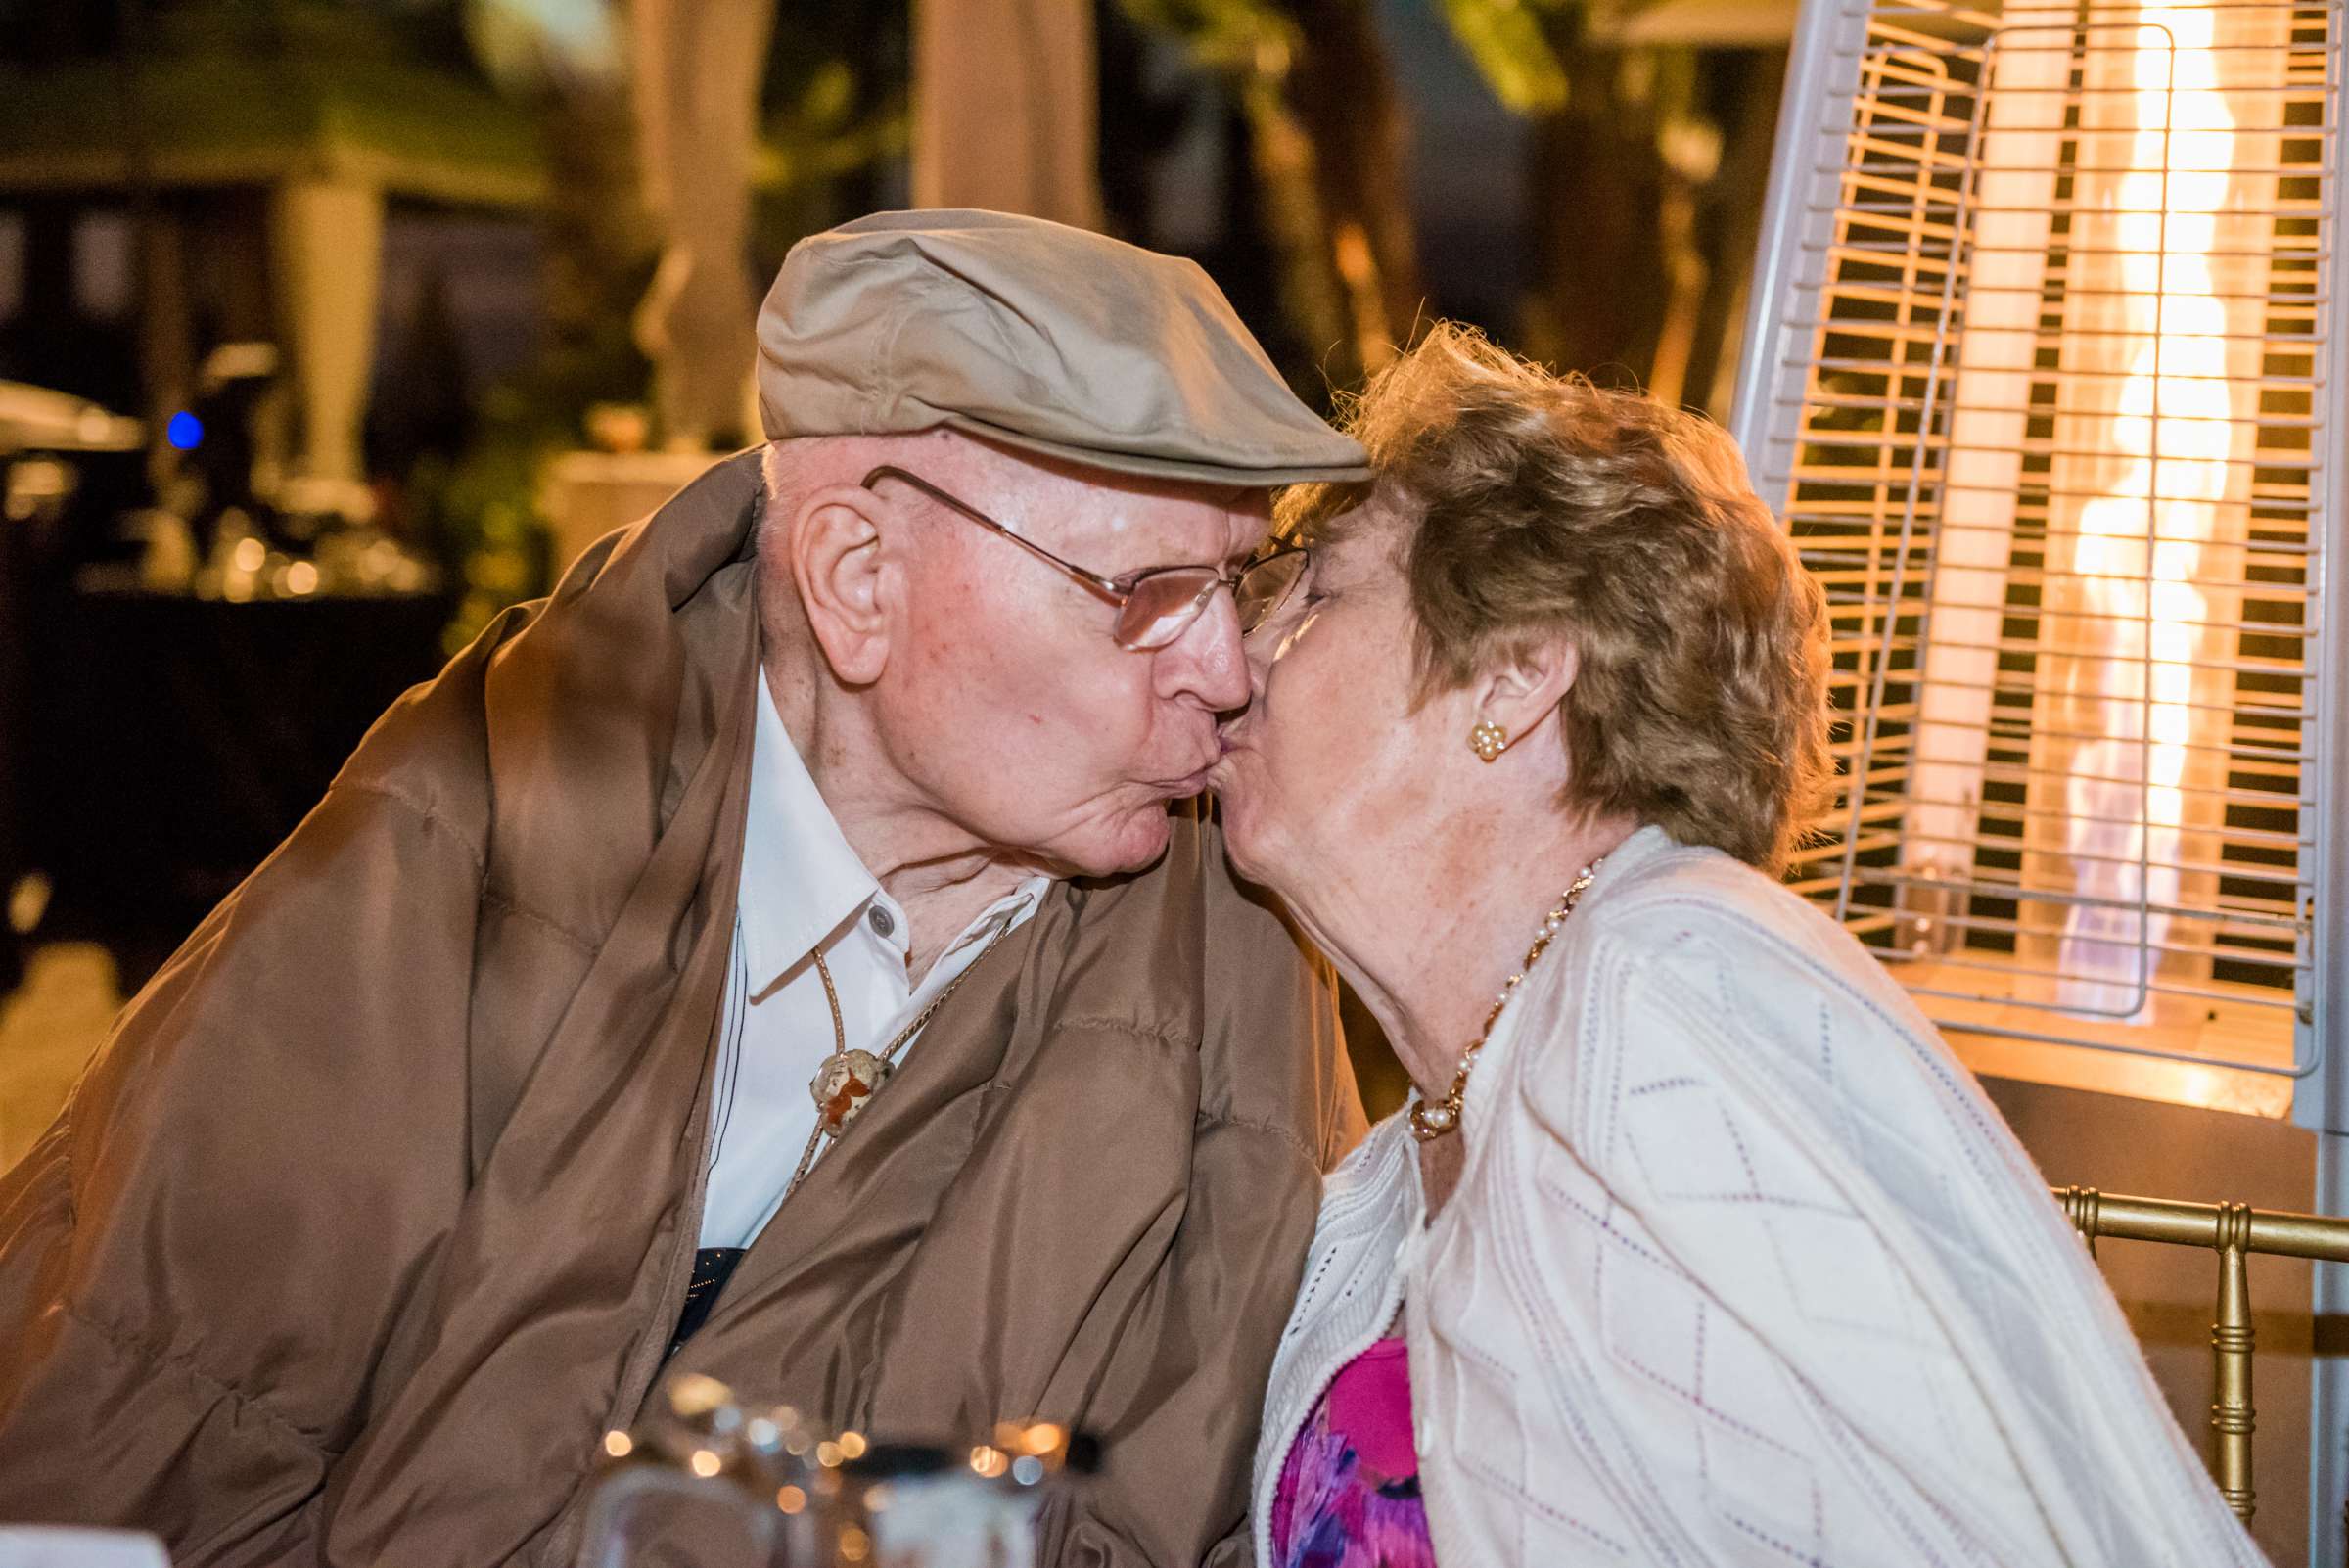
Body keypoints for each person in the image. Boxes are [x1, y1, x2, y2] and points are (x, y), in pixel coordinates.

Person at [0, 210, 1369, 1566]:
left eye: (1239, 581)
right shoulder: (458, 845)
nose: (1229, 671)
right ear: (856, 580)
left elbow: (1220, 1485)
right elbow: (137, 1439)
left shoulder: (1236, 926)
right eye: (1145, 591)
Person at [1214, 323, 2268, 1567]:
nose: (1242, 648)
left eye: (1318, 588)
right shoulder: (1407, 1159)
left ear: (1515, 679)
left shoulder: (1674, 990)